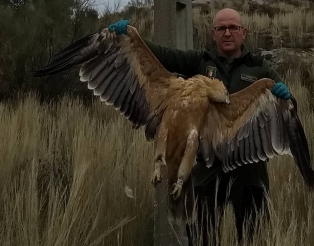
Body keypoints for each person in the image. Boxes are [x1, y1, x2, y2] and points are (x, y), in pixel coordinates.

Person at [109, 8, 291, 245]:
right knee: (203, 236)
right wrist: (133, 36)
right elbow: (165, 56)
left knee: (251, 236)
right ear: (213, 34)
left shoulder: (259, 68)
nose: (227, 33)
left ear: (243, 33)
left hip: (250, 171)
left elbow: (286, 107)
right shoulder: (199, 61)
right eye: (221, 28)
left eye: (233, 28)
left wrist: (285, 96)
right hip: (207, 168)